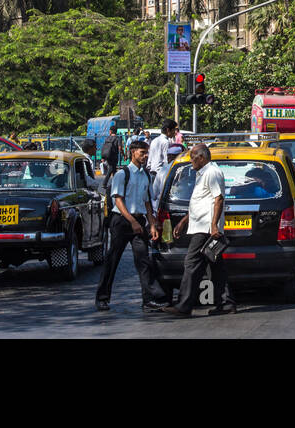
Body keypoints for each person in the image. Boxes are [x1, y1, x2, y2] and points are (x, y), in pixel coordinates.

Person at [95, 137, 166, 312]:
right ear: (133, 153)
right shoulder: (122, 174)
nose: (145, 157)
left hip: (139, 220)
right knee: (113, 260)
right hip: (121, 221)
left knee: (143, 261)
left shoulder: (146, 176)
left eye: (146, 153)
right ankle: (102, 298)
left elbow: (148, 202)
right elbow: (118, 200)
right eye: (142, 153)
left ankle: (148, 300)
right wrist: (132, 221)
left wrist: (151, 224)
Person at [164, 143, 235, 317]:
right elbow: (201, 201)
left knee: (191, 264)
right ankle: (226, 303)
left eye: (192, 157)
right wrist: (183, 222)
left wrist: (213, 226)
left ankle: (183, 305)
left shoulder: (212, 172)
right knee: (216, 266)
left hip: (205, 229)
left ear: (201, 157)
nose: (191, 160)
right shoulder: (201, 173)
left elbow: (218, 199)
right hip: (201, 225)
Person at [100, 123, 122, 190]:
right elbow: (120, 148)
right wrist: (123, 154)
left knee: (114, 170)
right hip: (114, 156)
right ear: (116, 131)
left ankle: (115, 183)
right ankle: (104, 183)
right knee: (111, 169)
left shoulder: (107, 138)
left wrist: (103, 157)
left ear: (110, 131)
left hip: (108, 156)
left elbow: (104, 147)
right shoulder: (118, 138)